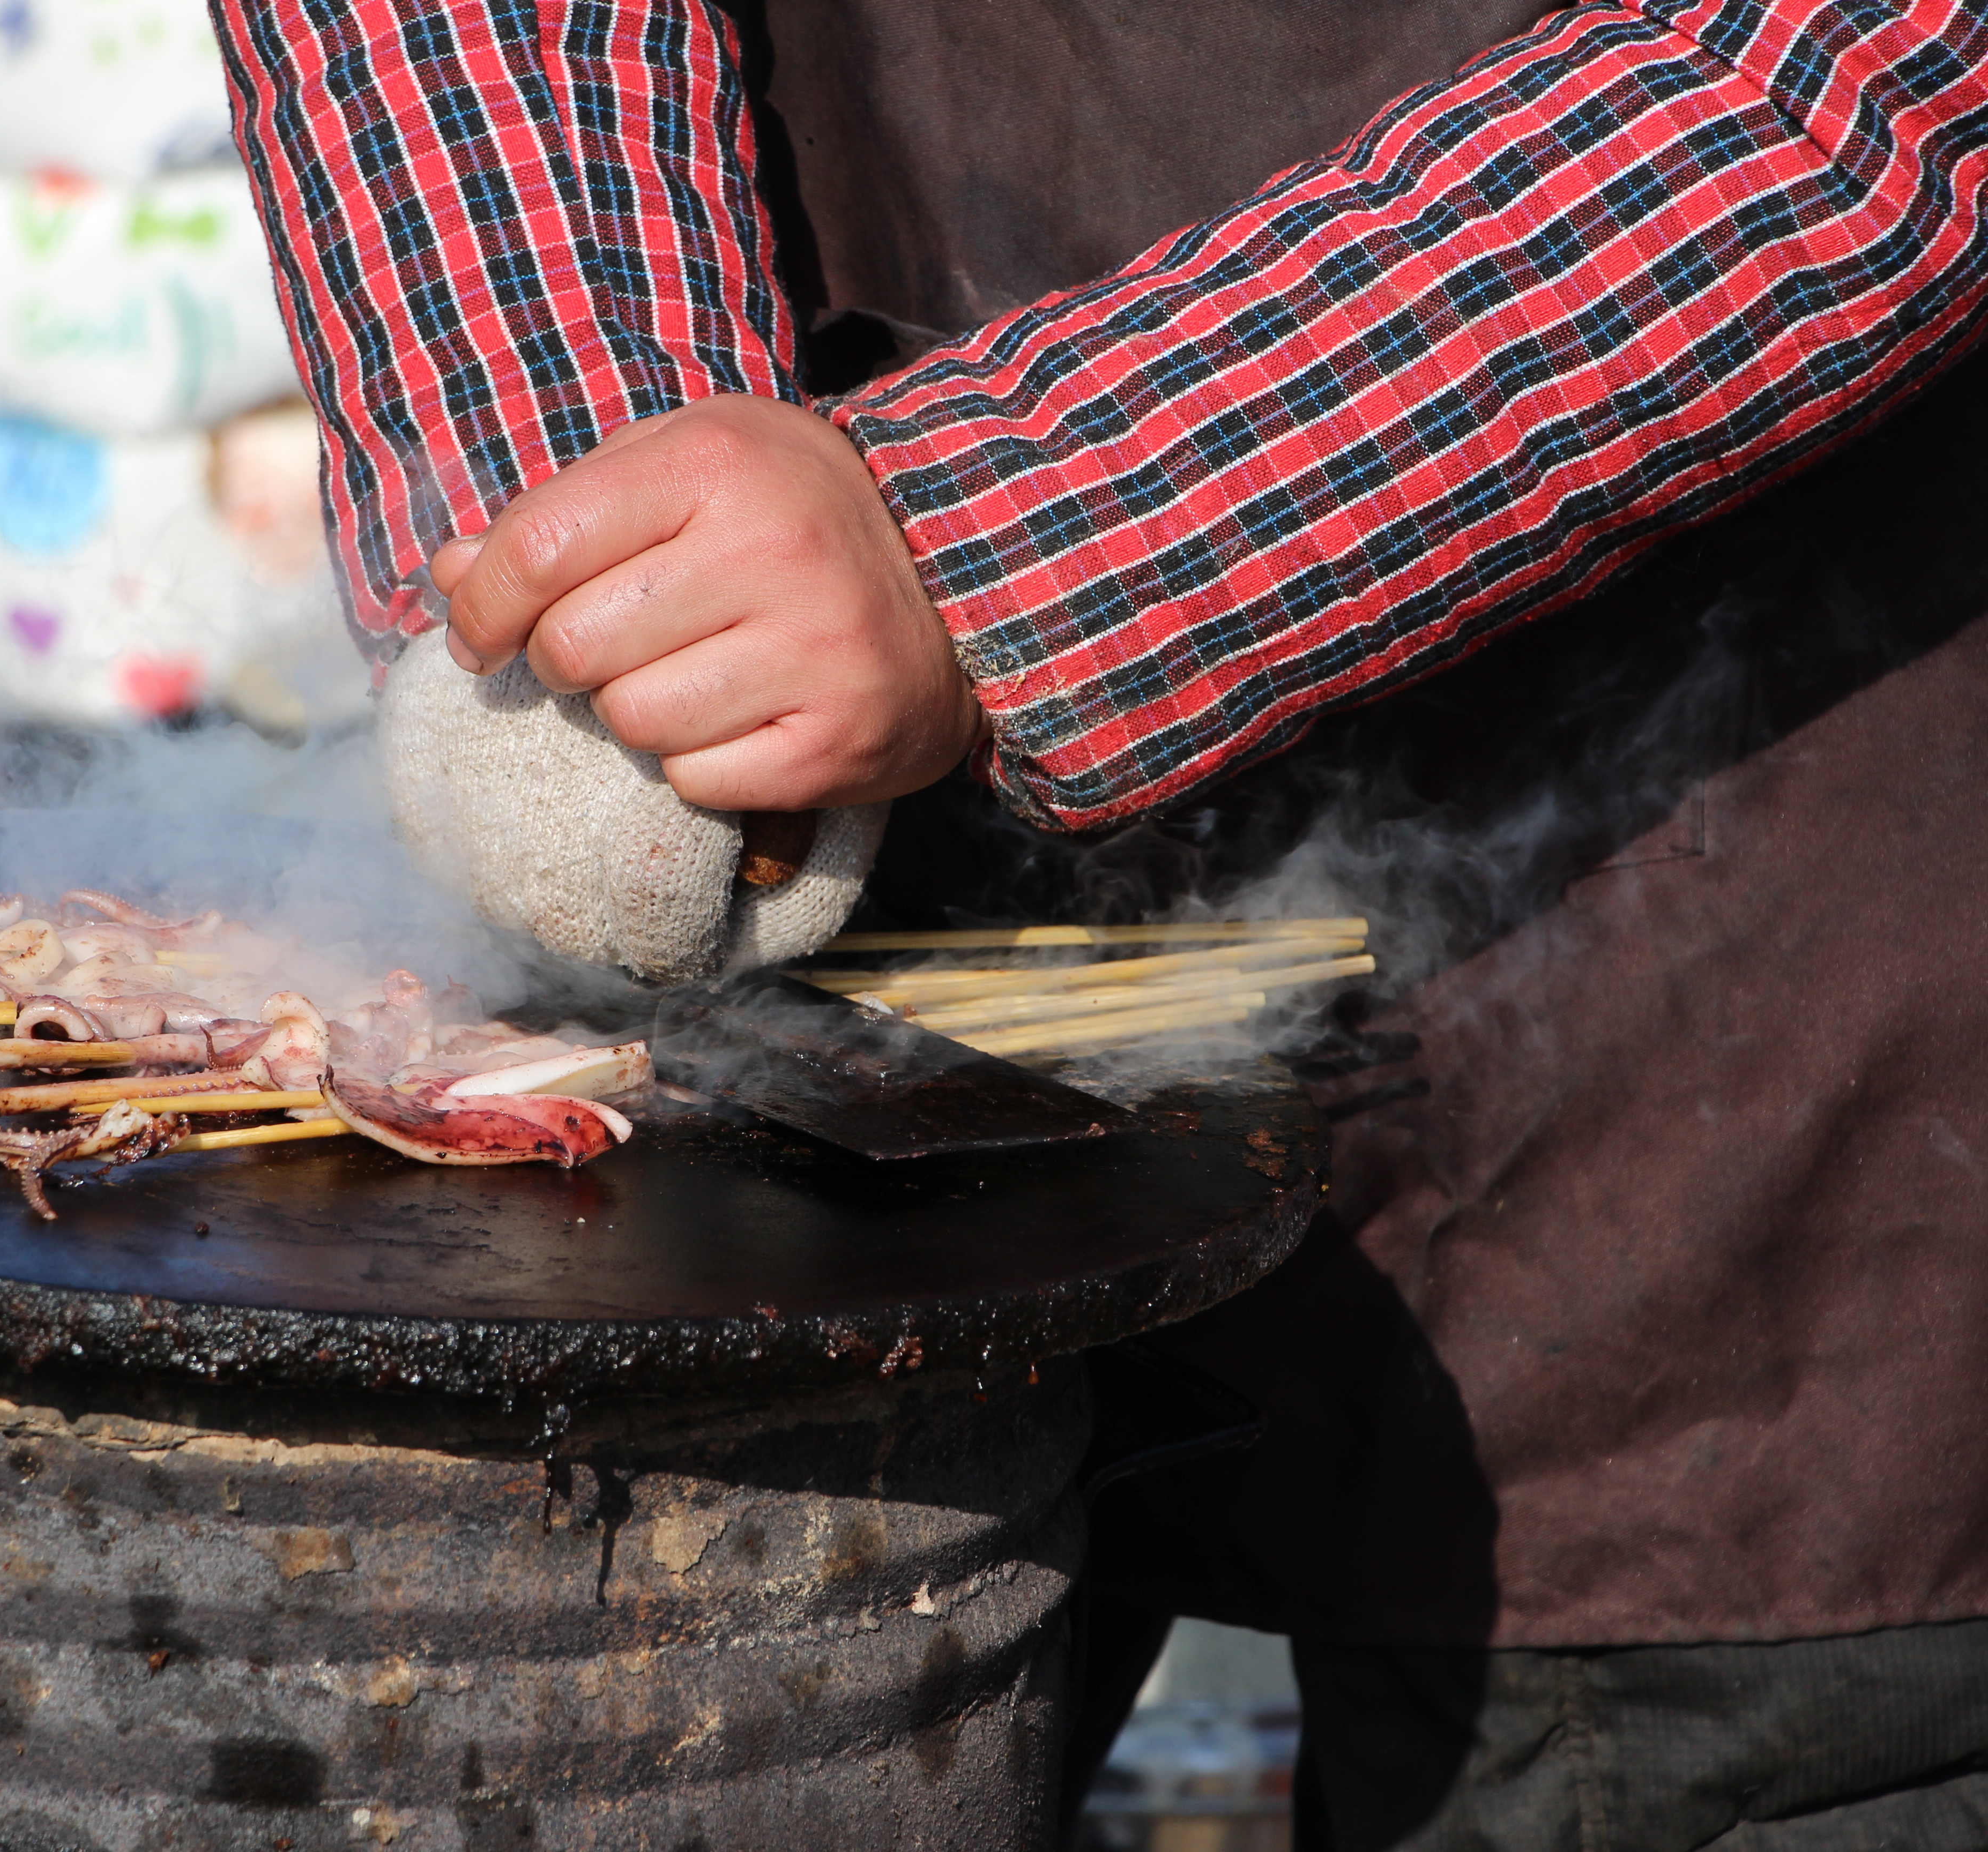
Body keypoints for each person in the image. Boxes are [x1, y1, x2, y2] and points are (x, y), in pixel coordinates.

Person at [211, 0, 1988, 1842]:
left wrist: (989, 541)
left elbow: (1888, 53)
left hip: (1742, 977)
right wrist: (613, 536)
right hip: (857, 1047)